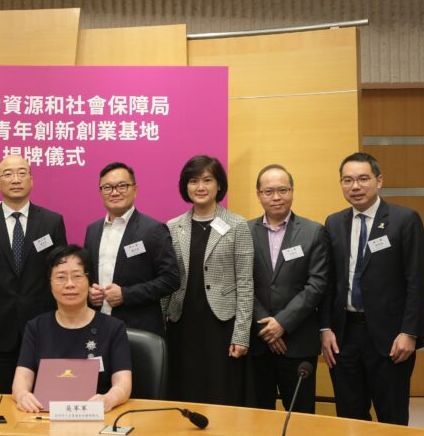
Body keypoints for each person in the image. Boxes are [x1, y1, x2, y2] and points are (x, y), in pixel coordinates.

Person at [321, 153, 424, 426]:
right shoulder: (334, 223)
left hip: (391, 339)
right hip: (344, 337)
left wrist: (409, 332)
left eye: (363, 179)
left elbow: (417, 281)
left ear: (379, 180)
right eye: (347, 180)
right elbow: (328, 283)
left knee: (391, 417)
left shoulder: (404, 220)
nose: (355, 186)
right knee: (349, 417)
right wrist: (325, 329)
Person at [0, 155, 67, 394]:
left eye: (22, 173)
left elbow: (62, 274)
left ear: (31, 180)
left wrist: (63, 322)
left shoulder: (52, 222)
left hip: (44, 325)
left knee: (45, 396)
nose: (16, 179)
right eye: (8, 174)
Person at [162, 155, 253, 406]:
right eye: (193, 181)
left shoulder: (237, 225)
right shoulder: (173, 226)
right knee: (183, 389)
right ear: (185, 186)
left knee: (220, 390)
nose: (200, 187)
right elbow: (167, 280)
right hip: (182, 322)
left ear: (219, 185)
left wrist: (242, 335)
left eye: (207, 180)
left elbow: (245, 282)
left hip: (221, 325)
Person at [247, 165, 330, 413]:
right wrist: (266, 325)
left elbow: (317, 284)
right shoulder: (244, 231)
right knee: (257, 415)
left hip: (298, 342)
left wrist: (282, 323)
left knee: (300, 416)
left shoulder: (313, 232)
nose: (276, 197)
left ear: (292, 191)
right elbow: (241, 283)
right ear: (259, 194)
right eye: (269, 191)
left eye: (283, 190)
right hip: (258, 342)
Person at [13, 245, 132, 413]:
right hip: (44, 419)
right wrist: (22, 395)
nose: (69, 284)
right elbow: (22, 378)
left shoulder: (113, 328)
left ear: (89, 281)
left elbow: (123, 382)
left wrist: (109, 399)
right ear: (50, 283)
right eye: (61, 277)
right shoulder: (36, 328)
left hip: (99, 417)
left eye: (77, 276)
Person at [84, 162, 180, 338]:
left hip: (138, 330)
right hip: (97, 326)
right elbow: (86, 274)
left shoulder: (153, 229)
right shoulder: (93, 230)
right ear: (100, 192)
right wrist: (88, 292)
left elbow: (171, 279)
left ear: (134, 189)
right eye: (107, 187)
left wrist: (126, 294)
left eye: (122, 186)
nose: (114, 192)